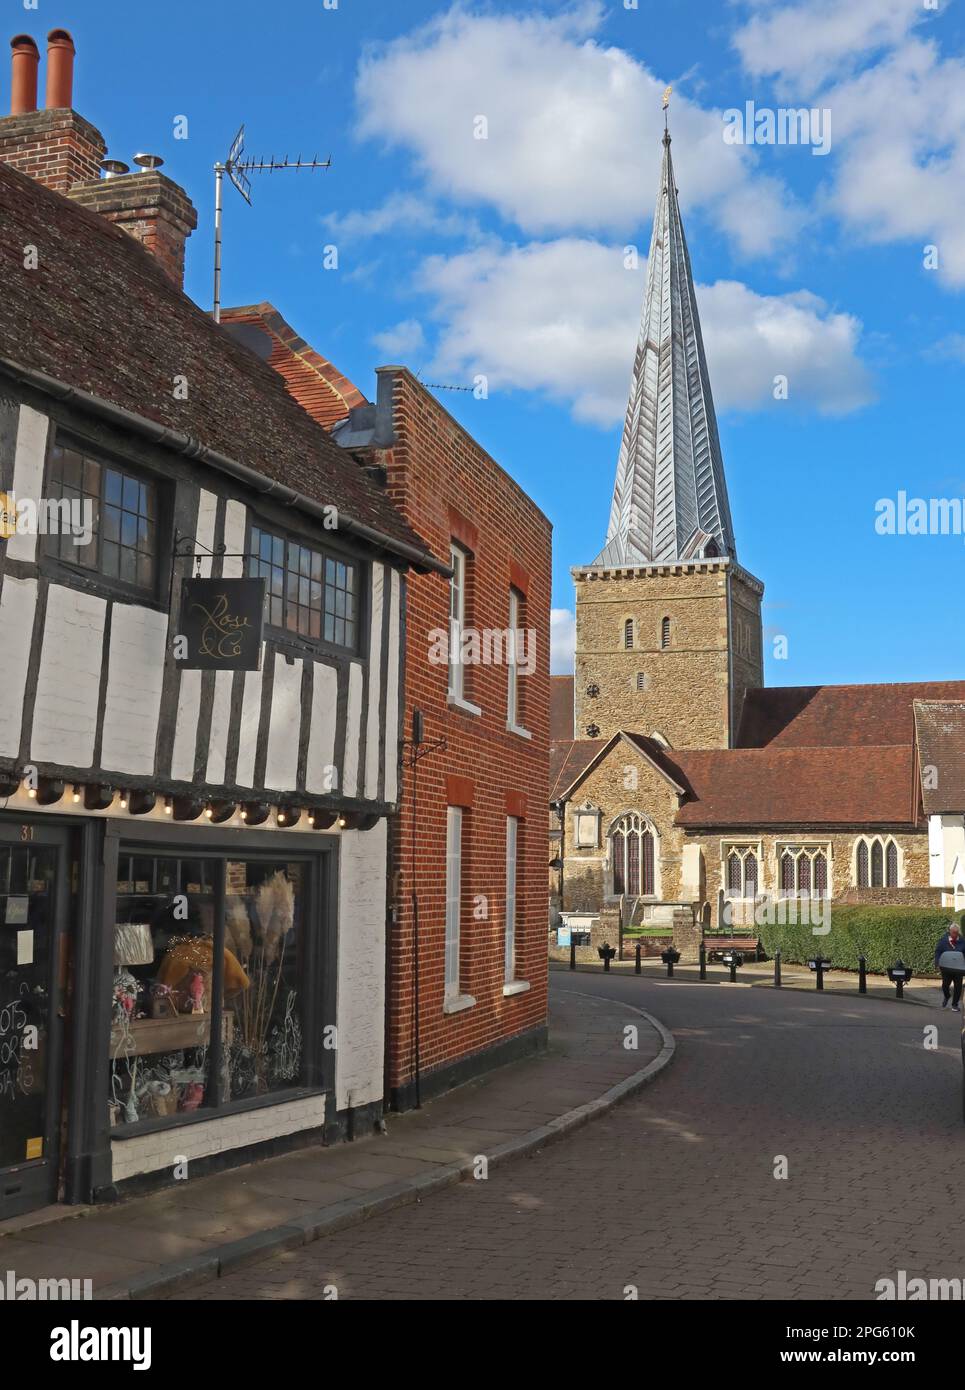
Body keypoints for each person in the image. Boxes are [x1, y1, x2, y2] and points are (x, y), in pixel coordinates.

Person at [934, 921, 965, 1009]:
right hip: (946, 967)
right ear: (950, 931)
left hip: (958, 968)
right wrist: (937, 963)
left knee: (958, 987)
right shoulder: (943, 941)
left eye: (956, 932)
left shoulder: (962, 941)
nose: (955, 934)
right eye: (953, 932)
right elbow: (938, 952)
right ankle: (947, 996)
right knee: (945, 985)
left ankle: (954, 1005)